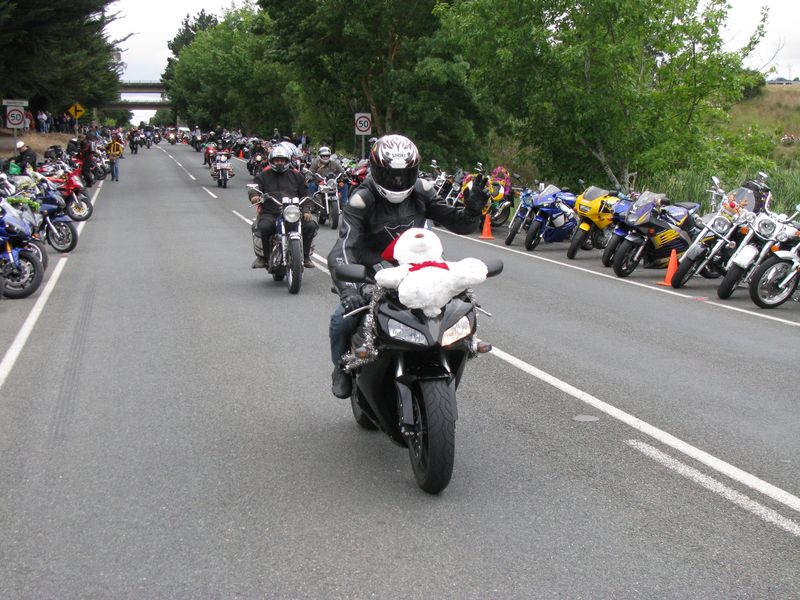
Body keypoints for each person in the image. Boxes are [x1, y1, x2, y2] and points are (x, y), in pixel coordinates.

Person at [327, 134, 487, 398]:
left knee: (459, 309)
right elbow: (343, 247)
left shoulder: (422, 191)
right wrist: (348, 290)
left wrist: (471, 212)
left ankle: (454, 355)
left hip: (422, 270)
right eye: (390, 175)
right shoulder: (362, 200)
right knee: (341, 320)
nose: (398, 182)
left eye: (404, 175)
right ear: (376, 169)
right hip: (373, 274)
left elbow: (457, 222)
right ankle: (340, 369)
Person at [248, 145, 318, 270]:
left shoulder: (297, 176)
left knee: (310, 226)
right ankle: (264, 258)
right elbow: (255, 187)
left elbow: (306, 194)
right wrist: (254, 196)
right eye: (277, 160)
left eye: (282, 160)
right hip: (270, 212)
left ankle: (306, 256)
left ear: (287, 161)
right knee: (264, 227)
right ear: (272, 161)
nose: (280, 163)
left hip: (293, 212)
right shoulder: (263, 175)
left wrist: (306, 210)